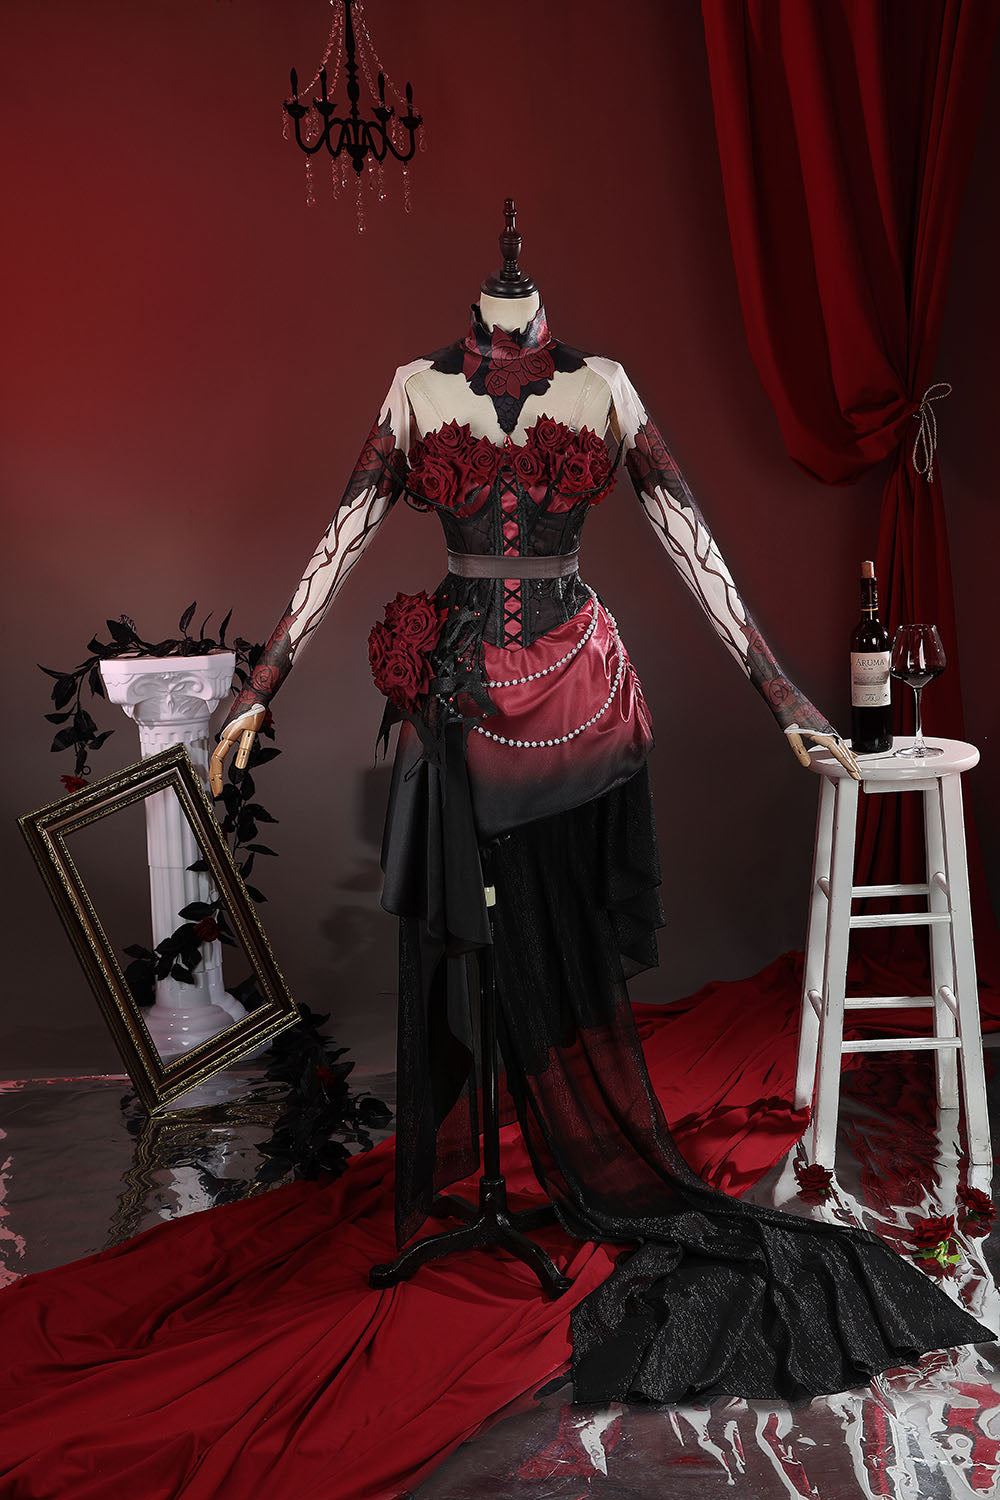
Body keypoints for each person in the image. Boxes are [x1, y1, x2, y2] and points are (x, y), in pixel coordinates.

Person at [208, 231, 991, 1403]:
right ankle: (477, 1177)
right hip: (459, 701)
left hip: (577, 700)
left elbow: (688, 539)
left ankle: (569, 1156)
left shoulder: (605, 383)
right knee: (469, 942)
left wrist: (780, 692)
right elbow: (341, 536)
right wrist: (259, 688)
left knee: (556, 937)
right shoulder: (414, 386)